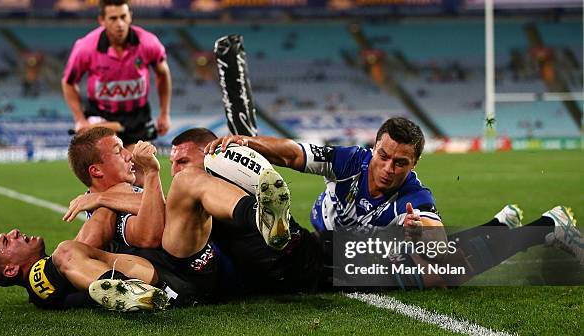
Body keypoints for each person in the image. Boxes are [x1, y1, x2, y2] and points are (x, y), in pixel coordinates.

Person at [205, 118, 583, 287]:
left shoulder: (416, 195)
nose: (388, 168)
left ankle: (545, 227)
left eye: (400, 162)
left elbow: (438, 242)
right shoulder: (351, 160)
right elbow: (292, 154)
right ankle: (507, 225)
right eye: (383, 156)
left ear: (414, 163)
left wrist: (422, 231)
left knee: (450, 274)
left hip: (362, 253)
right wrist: (252, 143)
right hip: (326, 237)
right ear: (375, 147)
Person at [0, 136, 293, 311]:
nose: (127, 154)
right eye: (118, 151)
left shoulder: (108, 198)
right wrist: (149, 176)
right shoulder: (102, 213)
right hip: (180, 271)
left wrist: (121, 189)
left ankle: (262, 216)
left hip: (189, 266)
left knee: (188, 181)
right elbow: (152, 233)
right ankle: (132, 294)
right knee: (68, 250)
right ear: (98, 171)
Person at [61, 0, 171, 186]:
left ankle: (147, 213)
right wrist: (79, 118)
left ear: (130, 17)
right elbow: (69, 82)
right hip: (101, 116)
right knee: (108, 175)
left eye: (123, 17)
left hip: (137, 116)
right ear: (102, 20)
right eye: (113, 18)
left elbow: (163, 74)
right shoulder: (86, 47)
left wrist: (164, 113)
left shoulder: (148, 42)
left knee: (142, 174)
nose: (119, 23)